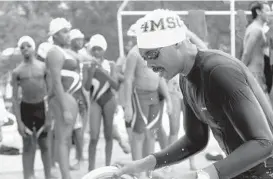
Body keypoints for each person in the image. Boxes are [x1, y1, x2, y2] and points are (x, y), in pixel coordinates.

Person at [114, 9, 273, 179]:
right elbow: (194, 140)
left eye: (152, 54)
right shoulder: (186, 79)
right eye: (144, 58)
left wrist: (198, 176)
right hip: (242, 172)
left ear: (177, 43)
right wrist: (142, 164)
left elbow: (264, 143)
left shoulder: (219, 71)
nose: (149, 65)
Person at [11, 36, 52, 179]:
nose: (25, 49)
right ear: (20, 51)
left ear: (33, 48)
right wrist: (19, 123)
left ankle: (48, 175)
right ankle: (28, 176)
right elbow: (15, 99)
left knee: (45, 145)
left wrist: (49, 117)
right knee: (28, 145)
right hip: (26, 108)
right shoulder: (17, 71)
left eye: (28, 46)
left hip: (41, 107)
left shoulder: (42, 67)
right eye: (22, 47)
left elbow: (51, 93)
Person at [46, 18, 79, 179]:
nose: (68, 35)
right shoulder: (54, 53)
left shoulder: (63, 51)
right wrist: (65, 107)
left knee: (66, 140)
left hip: (69, 97)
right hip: (61, 99)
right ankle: (65, 175)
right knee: (62, 139)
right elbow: (56, 81)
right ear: (55, 35)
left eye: (68, 31)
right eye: (64, 32)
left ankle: (65, 173)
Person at [84, 34, 120, 171]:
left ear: (104, 49)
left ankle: (107, 165)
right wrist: (92, 71)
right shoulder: (87, 65)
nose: (97, 52)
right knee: (93, 136)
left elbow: (116, 86)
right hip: (95, 101)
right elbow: (87, 87)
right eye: (94, 49)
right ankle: (91, 168)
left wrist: (103, 73)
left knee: (109, 134)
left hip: (109, 100)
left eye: (99, 49)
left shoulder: (110, 64)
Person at [242, 1, 272, 95]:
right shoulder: (256, 30)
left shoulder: (257, 28)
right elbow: (246, 52)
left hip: (257, 73)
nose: (270, 13)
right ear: (258, 12)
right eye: (267, 10)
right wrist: (240, 70)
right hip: (254, 74)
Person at [68, 28, 87, 170]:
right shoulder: (68, 54)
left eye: (82, 39)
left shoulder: (82, 54)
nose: (81, 42)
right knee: (74, 129)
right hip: (73, 93)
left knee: (78, 129)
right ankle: (77, 157)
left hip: (80, 94)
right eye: (78, 40)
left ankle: (79, 158)